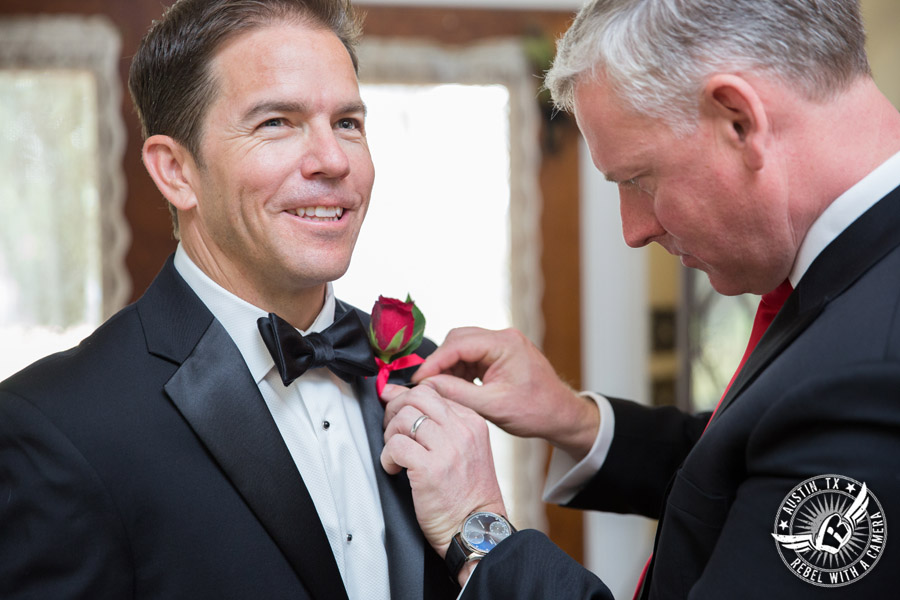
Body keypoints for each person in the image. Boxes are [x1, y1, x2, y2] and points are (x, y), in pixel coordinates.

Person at [380, 0, 900, 598]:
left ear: (738, 120)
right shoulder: (855, 276)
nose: (634, 230)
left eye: (639, 180)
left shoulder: (874, 369)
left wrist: (479, 532)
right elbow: (751, 469)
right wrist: (573, 420)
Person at [0, 1, 458, 598]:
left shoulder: (420, 369)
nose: (334, 160)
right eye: (276, 123)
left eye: (347, 122)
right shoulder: (56, 424)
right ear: (176, 171)